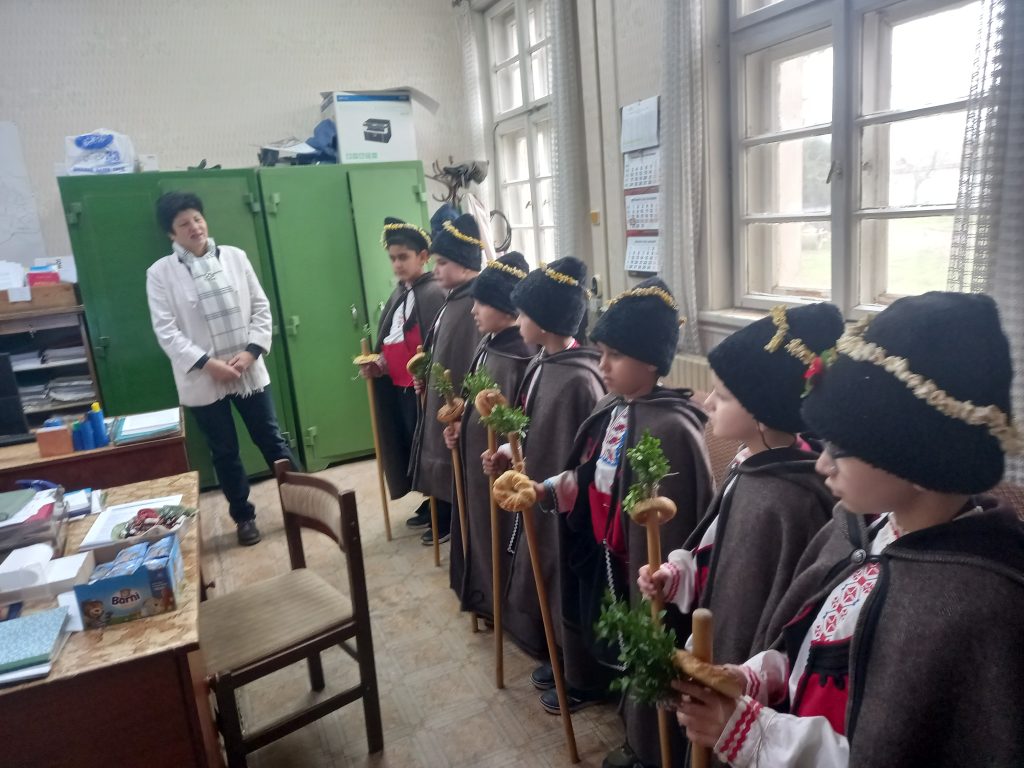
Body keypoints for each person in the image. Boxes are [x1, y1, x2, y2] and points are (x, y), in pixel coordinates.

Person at [675, 292, 1024, 767]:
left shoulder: (978, 607)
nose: (821, 463)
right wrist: (760, 675)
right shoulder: (858, 527)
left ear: (921, 461)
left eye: (841, 448)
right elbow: (813, 647)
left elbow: (886, 752)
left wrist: (753, 735)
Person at [536, 278, 714, 766]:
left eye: (615, 355)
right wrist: (549, 489)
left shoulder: (674, 427)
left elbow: (685, 518)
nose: (603, 366)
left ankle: (652, 745)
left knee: (647, 637)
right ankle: (614, 703)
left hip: (645, 564)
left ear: (651, 362)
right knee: (610, 635)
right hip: (605, 551)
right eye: (601, 353)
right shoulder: (611, 408)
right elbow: (591, 472)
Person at [638, 303, 841, 668]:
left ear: (763, 413)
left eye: (723, 396)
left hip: (747, 657)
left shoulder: (788, 498)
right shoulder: (749, 462)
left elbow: (775, 597)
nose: (708, 402)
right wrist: (675, 575)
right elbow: (719, 549)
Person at [481, 257, 605, 698]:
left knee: (565, 584)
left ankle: (582, 674)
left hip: (565, 506)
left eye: (524, 314)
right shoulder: (540, 363)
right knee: (544, 579)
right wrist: (505, 453)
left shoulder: (580, 380)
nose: (517, 321)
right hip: (537, 492)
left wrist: (551, 487)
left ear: (547, 322)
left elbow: (584, 456)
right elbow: (531, 429)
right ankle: (558, 656)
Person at [146, 191, 297, 546]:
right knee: (225, 451)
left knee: (271, 439)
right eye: (184, 223)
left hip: (248, 370)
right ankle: (243, 518)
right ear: (171, 233)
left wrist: (251, 352)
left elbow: (260, 307)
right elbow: (166, 331)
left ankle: (302, 503)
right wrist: (207, 364)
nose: (195, 227)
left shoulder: (234, 257)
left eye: (197, 219)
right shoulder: (160, 273)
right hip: (203, 378)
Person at [442, 252, 536, 612]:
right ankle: (481, 593)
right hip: (474, 463)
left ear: (506, 306)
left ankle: (500, 604)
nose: (473, 310)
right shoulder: (488, 343)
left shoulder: (518, 355)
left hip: (499, 469)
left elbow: (519, 420)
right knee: (477, 529)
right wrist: (459, 425)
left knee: (496, 532)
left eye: (481, 303)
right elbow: (475, 401)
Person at [359, 217, 445, 519]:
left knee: (432, 446)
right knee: (411, 443)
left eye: (403, 257)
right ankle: (429, 497)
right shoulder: (399, 293)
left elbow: (438, 345)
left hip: (425, 389)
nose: (397, 264)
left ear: (423, 256)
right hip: (400, 387)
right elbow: (391, 341)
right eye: (392, 258)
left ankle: (444, 506)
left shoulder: (434, 293)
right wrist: (379, 365)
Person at [409, 213, 483, 545]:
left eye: (442, 263)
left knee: (455, 458)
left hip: (459, 404)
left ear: (465, 265)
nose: (435, 269)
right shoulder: (452, 298)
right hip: (443, 396)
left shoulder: (471, 304)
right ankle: (441, 508)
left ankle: (454, 517)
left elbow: (468, 357)